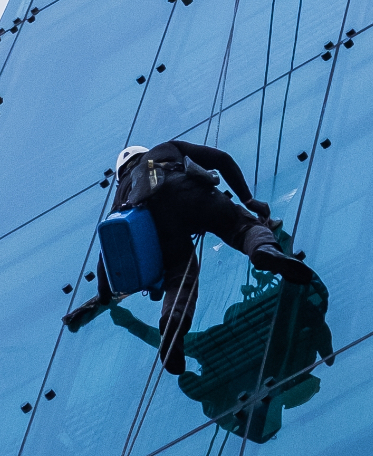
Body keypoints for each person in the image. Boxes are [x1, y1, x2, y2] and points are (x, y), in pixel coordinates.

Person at [63, 140, 314, 375]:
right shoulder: (166, 148)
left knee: (180, 277)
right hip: (187, 192)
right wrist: (248, 199)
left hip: (154, 223)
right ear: (144, 154)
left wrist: (105, 296)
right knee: (240, 226)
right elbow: (221, 159)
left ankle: (172, 326)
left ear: (120, 176)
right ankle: (264, 250)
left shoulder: (123, 197)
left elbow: (107, 251)